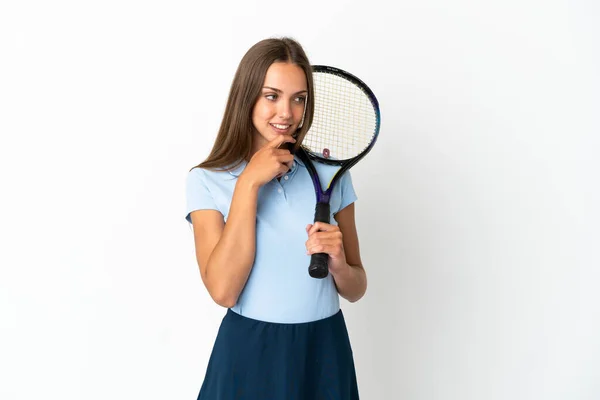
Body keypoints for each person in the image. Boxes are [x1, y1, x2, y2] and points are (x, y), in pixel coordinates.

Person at [185, 37, 367, 400]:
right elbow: (223, 291)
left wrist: (339, 266)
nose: (286, 112)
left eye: (298, 98)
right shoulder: (206, 180)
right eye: (272, 96)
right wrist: (249, 182)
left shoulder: (330, 175)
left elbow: (357, 287)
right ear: (247, 97)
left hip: (324, 350)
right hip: (250, 352)